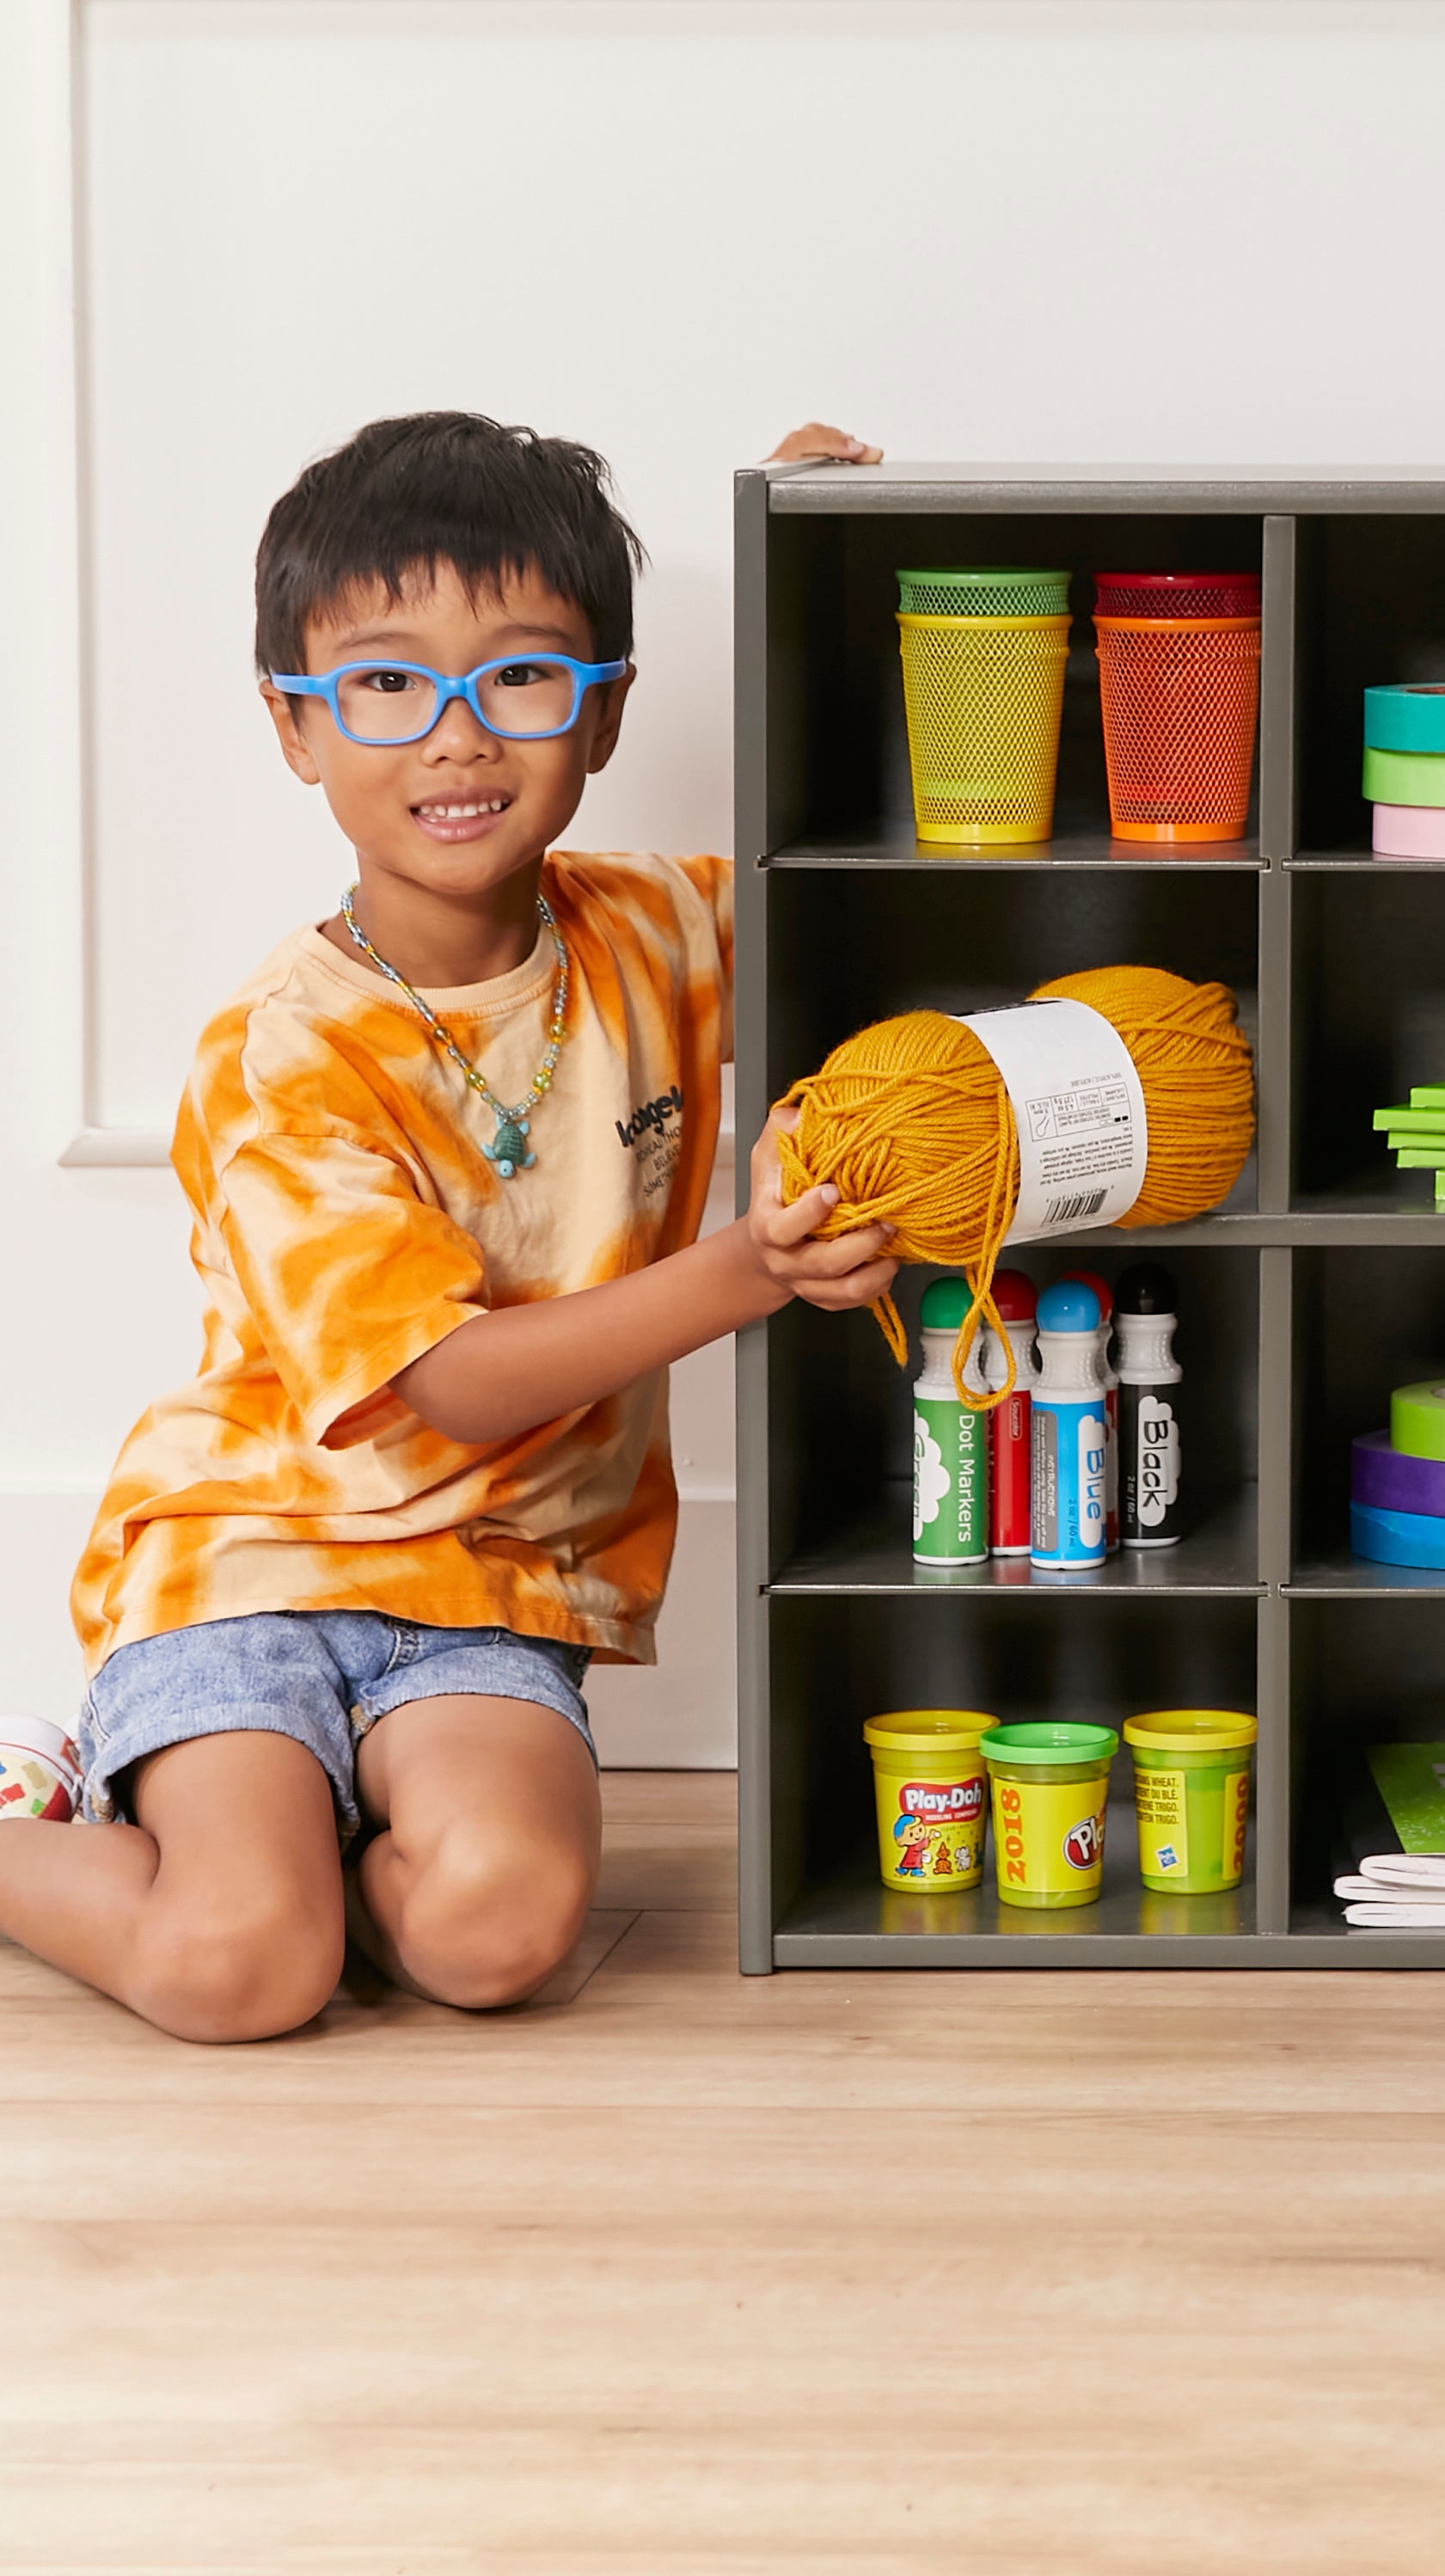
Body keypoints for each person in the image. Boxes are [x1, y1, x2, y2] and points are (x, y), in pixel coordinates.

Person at [0, 409, 891, 2040]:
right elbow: (455, 1384)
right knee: (240, 1971)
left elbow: (862, 889)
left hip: (499, 1585)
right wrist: (744, 1270)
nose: (459, 739)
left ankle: (296, 1835)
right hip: (248, 1565)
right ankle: (46, 1828)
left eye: (524, 678)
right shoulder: (284, 1049)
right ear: (296, 725)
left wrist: (829, 559)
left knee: (498, 1935)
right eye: (390, 685)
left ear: (605, 712)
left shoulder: (661, 928)